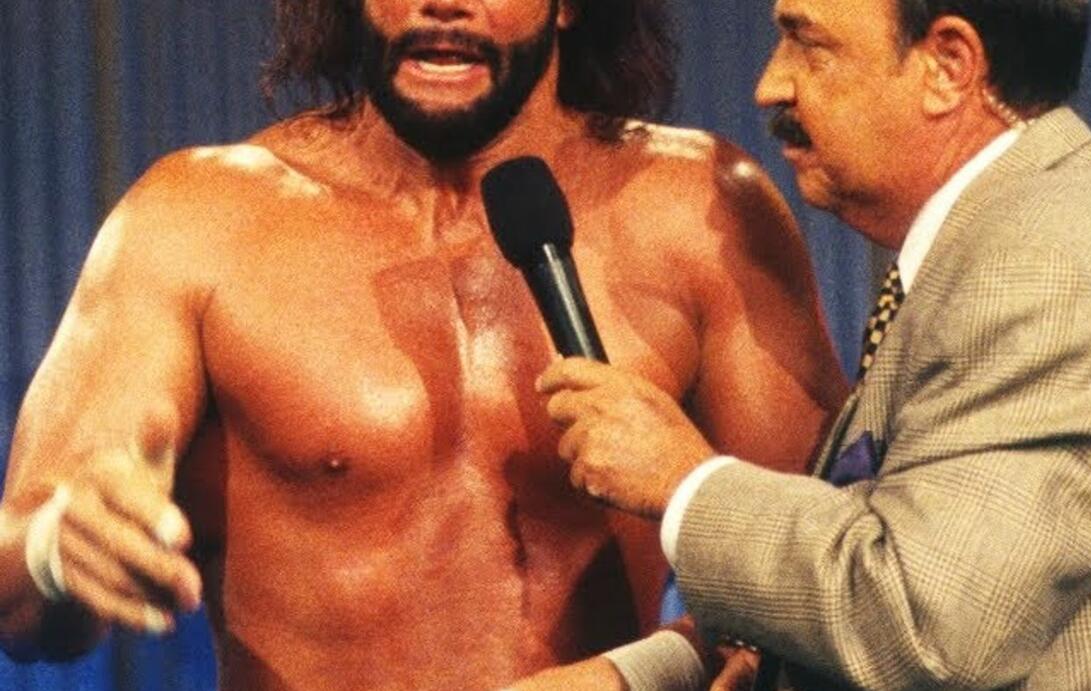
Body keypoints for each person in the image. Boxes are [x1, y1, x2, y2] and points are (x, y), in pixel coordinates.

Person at [0, 0, 851, 688]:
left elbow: (829, 586)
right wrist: (55, 551)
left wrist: (642, 673)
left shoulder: (702, 213)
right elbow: (18, 602)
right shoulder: (196, 220)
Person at [525, 0, 1091, 688]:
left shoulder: (1037, 273)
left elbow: (925, 625)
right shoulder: (1014, 238)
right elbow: (885, 567)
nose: (770, 84)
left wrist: (685, 484)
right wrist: (634, 676)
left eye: (809, 44)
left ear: (948, 66)